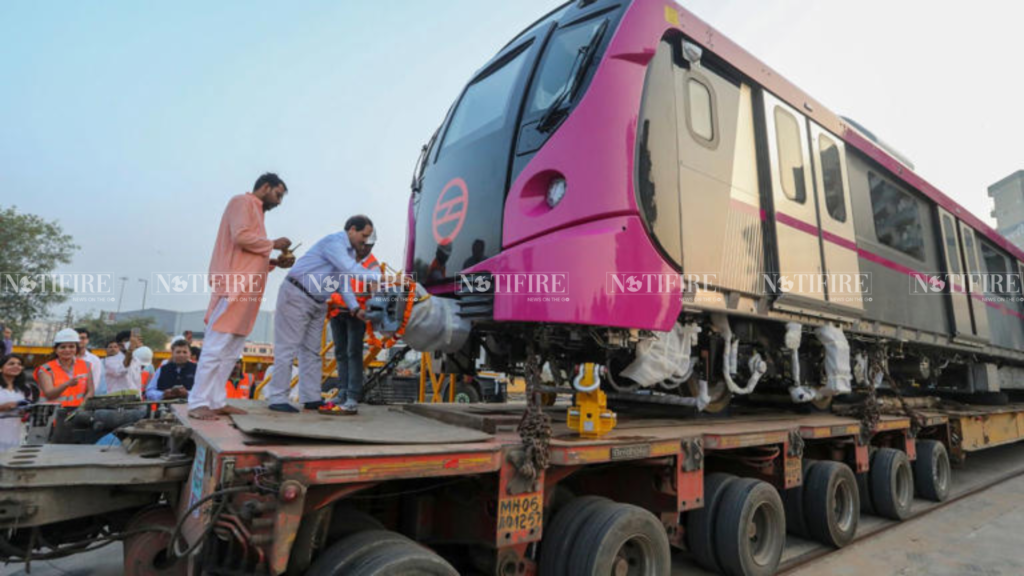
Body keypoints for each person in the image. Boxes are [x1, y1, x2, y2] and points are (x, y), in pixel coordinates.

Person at [188, 172, 294, 420]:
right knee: (216, 347)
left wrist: (275, 261)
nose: (278, 202)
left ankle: (215, 400)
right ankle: (197, 403)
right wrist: (274, 244)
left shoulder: (256, 210)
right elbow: (241, 237)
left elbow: (249, 254)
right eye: (277, 195)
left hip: (247, 287)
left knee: (231, 350)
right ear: (265, 187)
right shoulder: (242, 202)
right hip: (233, 285)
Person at [267, 215, 380, 414]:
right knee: (288, 348)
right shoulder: (334, 243)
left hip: (317, 302)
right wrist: (385, 278)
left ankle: (311, 397)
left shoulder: (349, 253)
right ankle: (277, 397)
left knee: (312, 351)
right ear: (352, 229)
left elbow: (343, 283)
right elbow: (351, 270)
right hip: (297, 294)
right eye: (364, 235)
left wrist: (354, 308)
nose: (365, 241)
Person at [328, 237, 379, 412]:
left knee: (353, 353)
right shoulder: (343, 258)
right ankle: (342, 392)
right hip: (337, 312)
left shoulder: (372, 264)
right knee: (340, 353)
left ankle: (352, 395)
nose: (364, 249)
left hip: (357, 313)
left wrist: (374, 296)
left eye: (368, 246)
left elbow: (375, 285)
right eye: (363, 245)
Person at [37, 328, 94, 407]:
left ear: (76, 349)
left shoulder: (86, 365)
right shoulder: (45, 369)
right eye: (63, 347)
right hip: (53, 415)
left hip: (76, 414)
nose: (67, 350)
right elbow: (49, 394)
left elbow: (90, 391)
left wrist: (82, 407)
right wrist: (67, 384)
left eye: (71, 347)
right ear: (56, 350)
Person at [0, 354, 37, 452]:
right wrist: (3, 407)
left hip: (16, 432)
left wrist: (25, 411)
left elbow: (28, 408)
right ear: (1, 368)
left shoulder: (25, 388)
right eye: (11, 364)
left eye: (19, 364)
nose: (16, 366)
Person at [104, 330, 144, 394]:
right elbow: (121, 370)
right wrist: (130, 350)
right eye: (127, 340)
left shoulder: (136, 360)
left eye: (133, 340)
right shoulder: (110, 360)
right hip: (116, 400)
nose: (132, 342)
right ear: (120, 345)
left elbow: (137, 383)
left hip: (134, 399)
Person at [75, 328, 104, 395]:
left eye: (82, 338)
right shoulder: (65, 357)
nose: (79, 340)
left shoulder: (94, 360)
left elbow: (95, 383)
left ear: (87, 340)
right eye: (77, 338)